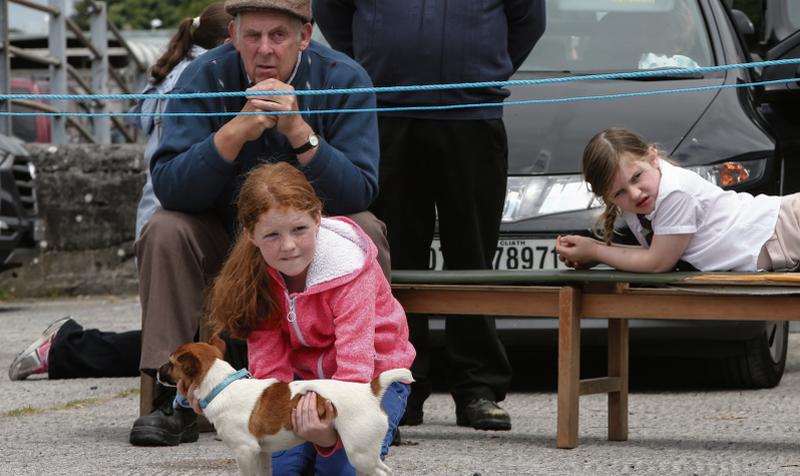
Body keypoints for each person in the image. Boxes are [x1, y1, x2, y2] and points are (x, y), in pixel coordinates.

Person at [129, 0, 387, 447]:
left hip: (307, 243)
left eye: (278, 36)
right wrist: (235, 132)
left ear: (304, 36)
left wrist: (299, 133)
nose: (264, 49)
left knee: (368, 228)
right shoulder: (202, 77)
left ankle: (361, 399)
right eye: (252, 36)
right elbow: (170, 186)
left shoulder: (343, 79)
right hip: (225, 237)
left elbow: (359, 191)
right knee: (165, 229)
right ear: (232, 34)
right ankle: (169, 393)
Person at [314, 0, 546, 431]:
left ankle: (477, 387)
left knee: (473, 256)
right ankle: (403, 385)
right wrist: (375, 68)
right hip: (387, 115)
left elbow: (528, 21)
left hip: (473, 114)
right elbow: (332, 14)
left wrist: (481, 70)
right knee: (394, 260)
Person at [6, 3, 232, 383]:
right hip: (179, 222)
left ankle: (68, 347)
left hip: (174, 215)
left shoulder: (182, 75)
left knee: (199, 346)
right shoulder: (196, 80)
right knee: (192, 350)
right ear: (230, 40)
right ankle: (68, 348)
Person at [181, 161, 415, 474]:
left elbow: (355, 369)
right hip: (298, 386)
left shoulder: (349, 267)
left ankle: (368, 429)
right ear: (251, 235)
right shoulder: (256, 280)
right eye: (272, 235)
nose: (288, 246)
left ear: (318, 218)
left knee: (340, 470)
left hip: (364, 384)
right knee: (282, 470)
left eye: (299, 229)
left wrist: (325, 433)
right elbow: (269, 374)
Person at [555, 127, 800, 273]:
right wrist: (590, 253)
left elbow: (657, 262)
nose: (635, 193)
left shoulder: (674, 193)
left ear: (652, 157)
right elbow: (655, 254)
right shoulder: (643, 200)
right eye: (619, 193)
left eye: (637, 177)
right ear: (608, 197)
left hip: (787, 227)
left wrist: (596, 252)